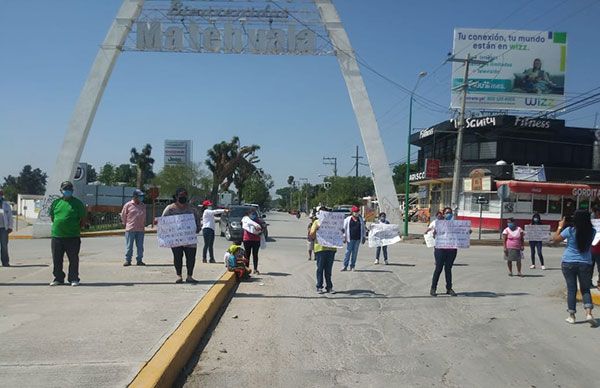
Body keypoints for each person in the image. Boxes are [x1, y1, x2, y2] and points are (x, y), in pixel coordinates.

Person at [552, 210, 597, 326]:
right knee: (585, 289)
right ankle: (589, 314)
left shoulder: (569, 231)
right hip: (585, 263)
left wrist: (560, 227)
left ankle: (572, 316)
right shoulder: (592, 231)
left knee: (572, 289)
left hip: (569, 262)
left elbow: (555, 240)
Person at [49, 181, 87, 286]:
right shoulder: (56, 203)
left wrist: (77, 228)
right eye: (65, 189)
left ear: (72, 190)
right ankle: (58, 278)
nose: (67, 191)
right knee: (57, 259)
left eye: (69, 189)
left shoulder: (77, 203)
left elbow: (83, 219)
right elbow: (52, 217)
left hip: (73, 236)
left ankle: (74, 278)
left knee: (73, 259)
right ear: (61, 190)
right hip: (57, 236)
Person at [162, 188, 202, 284]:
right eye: (181, 196)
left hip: (190, 239)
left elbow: (198, 220)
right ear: (176, 197)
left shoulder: (192, 209)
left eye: (184, 196)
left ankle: (189, 276)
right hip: (176, 239)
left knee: (191, 258)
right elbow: (163, 221)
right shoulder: (170, 209)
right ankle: (179, 276)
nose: (183, 198)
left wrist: (197, 228)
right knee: (177, 257)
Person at [430, 207, 458, 297]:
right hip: (440, 250)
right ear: (443, 214)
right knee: (438, 269)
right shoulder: (439, 224)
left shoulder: (456, 224)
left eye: (450, 212)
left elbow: (461, 234)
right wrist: (435, 233)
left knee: (448, 269)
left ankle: (449, 288)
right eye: (446, 213)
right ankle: (433, 288)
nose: (448, 214)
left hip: (451, 250)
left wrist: (466, 232)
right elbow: (434, 236)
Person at [309, 207, 337, 294]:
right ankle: (319, 286)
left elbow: (338, 234)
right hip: (320, 249)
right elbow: (311, 236)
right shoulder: (316, 222)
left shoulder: (333, 223)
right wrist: (316, 229)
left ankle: (329, 287)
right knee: (320, 269)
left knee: (328, 270)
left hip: (331, 249)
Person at [120, 189, 146, 267]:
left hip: (140, 229)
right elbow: (123, 215)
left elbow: (144, 216)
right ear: (135, 197)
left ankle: (139, 260)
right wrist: (125, 224)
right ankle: (128, 260)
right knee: (129, 246)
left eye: (142, 196)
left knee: (140, 246)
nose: (141, 198)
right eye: (140, 196)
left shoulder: (143, 205)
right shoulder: (128, 205)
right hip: (130, 228)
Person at [341, 205, 365, 271]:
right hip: (350, 238)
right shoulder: (348, 219)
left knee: (355, 253)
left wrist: (363, 237)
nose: (356, 213)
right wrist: (344, 237)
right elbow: (343, 229)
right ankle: (345, 266)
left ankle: (352, 266)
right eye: (355, 212)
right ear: (352, 212)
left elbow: (363, 229)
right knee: (348, 252)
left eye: (357, 212)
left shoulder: (360, 219)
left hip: (357, 238)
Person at [242, 208, 264, 274]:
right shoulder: (245, 220)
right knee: (247, 255)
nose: (253, 215)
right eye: (251, 214)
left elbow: (263, 228)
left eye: (254, 214)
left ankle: (255, 269)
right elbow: (243, 226)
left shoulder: (258, 221)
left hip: (256, 240)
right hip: (247, 239)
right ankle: (246, 269)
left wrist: (260, 231)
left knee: (255, 255)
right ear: (248, 214)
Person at [0, 190, 14, 267]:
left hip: (3, 229)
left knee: (4, 246)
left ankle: (5, 262)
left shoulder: (6, 205)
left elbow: (10, 217)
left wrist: (10, 227)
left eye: (1, 194)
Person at [592, 206, 600, 287]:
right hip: (591, 249)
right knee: (589, 267)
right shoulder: (592, 223)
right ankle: (589, 282)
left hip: (597, 250)